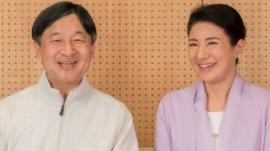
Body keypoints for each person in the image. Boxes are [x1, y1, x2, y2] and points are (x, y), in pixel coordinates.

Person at [0, 1, 139, 151]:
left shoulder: (116, 116)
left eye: (78, 40)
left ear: (92, 49)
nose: (68, 51)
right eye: (56, 40)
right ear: (38, 49)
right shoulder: (6, 113)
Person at [155, 4, 270, 151]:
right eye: (193, 44)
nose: (201, 55)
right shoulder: (171, 107)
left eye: (212, 43)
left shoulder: (265, 105)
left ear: (238, 48)